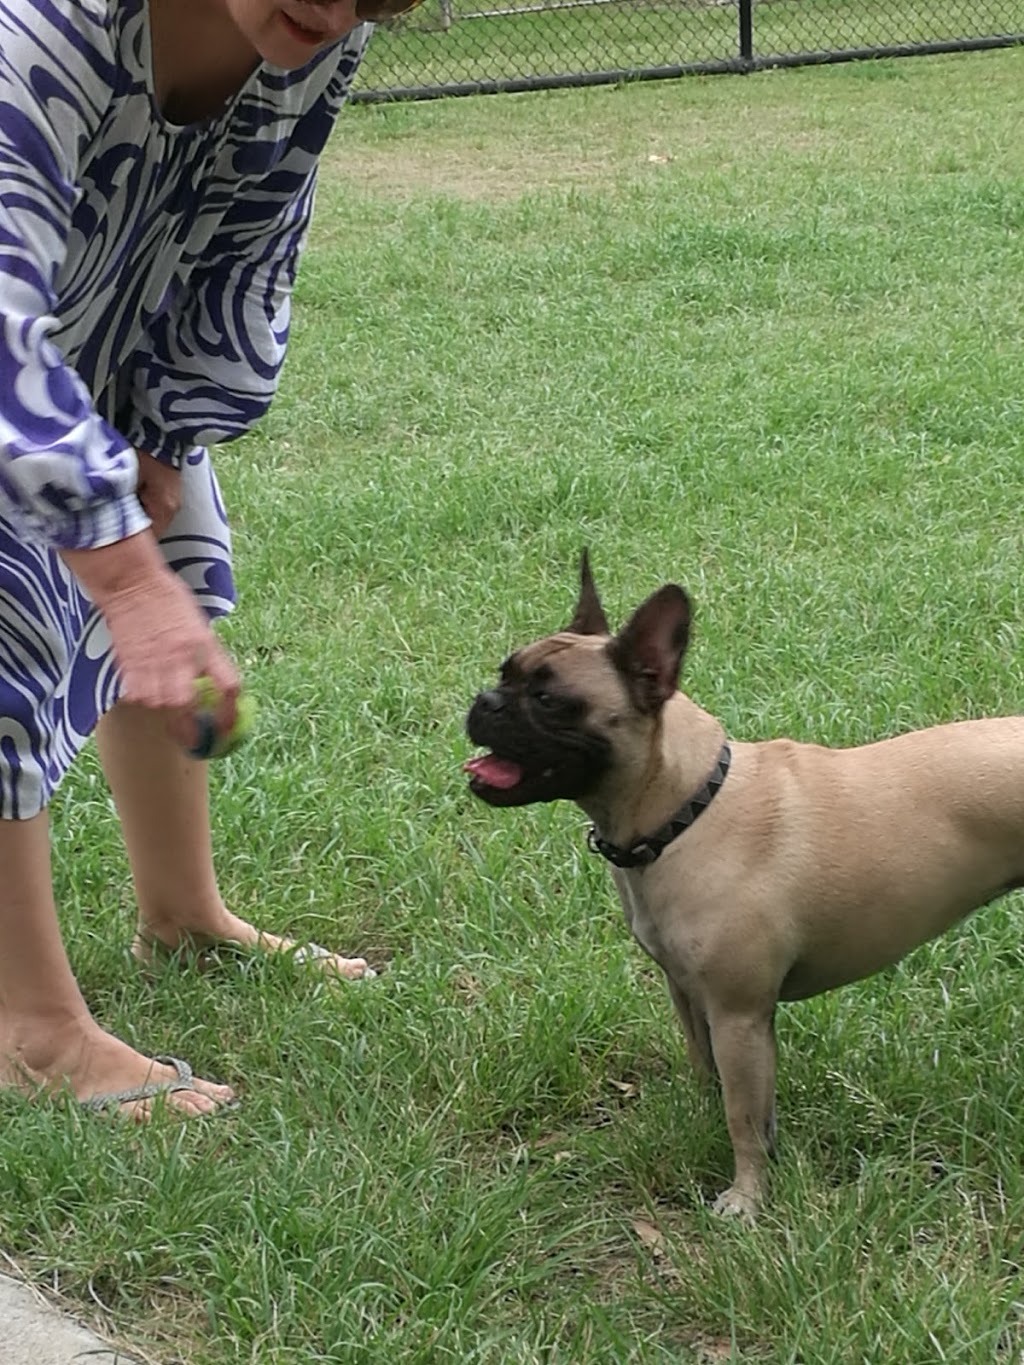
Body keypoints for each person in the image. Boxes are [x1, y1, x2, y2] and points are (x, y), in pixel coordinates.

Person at [0, 0, 415, 1118]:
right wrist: (115, 574)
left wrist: (163, 424)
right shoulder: (40, 28)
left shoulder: (320, 31)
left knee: (165, 554)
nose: (334, 8)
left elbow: (254, 236)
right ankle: (29, 1027)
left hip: (81, 341)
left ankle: (181, 917)